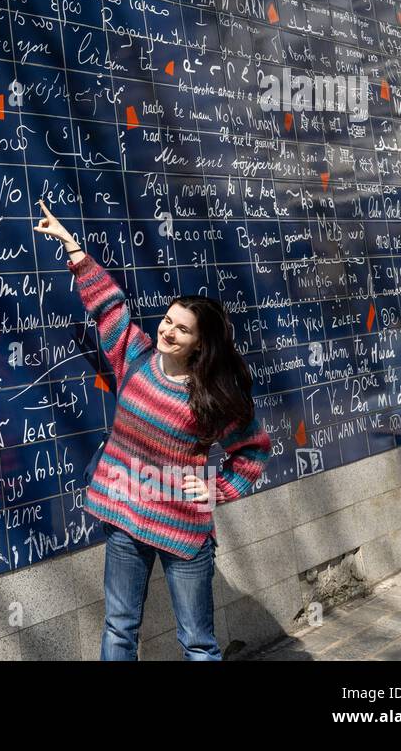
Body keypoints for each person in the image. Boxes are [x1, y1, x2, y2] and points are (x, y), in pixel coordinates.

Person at [34, 200, 272, 660]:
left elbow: (254, 450)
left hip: (183, 527)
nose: (168, 331)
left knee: (198, 643)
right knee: (120, 629)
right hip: (125, 516)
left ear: (201, 341)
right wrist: (74, 249)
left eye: (182, 329)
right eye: (167, 320)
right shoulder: (137, 358)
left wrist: (215, 487)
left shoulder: (215, 396)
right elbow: (110, 309)